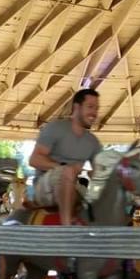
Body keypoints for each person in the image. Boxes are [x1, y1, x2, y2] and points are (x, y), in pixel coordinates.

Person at [28, 88, 102, 225]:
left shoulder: (92, 141)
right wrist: (64, 167)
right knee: (67, 172)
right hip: (45, 186)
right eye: (90, 107)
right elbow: (34, 160)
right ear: (76, 107)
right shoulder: (55, 127)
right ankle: (66, 228)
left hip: (75, 185)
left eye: (97, 108)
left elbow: (100, 170)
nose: (94, 113)